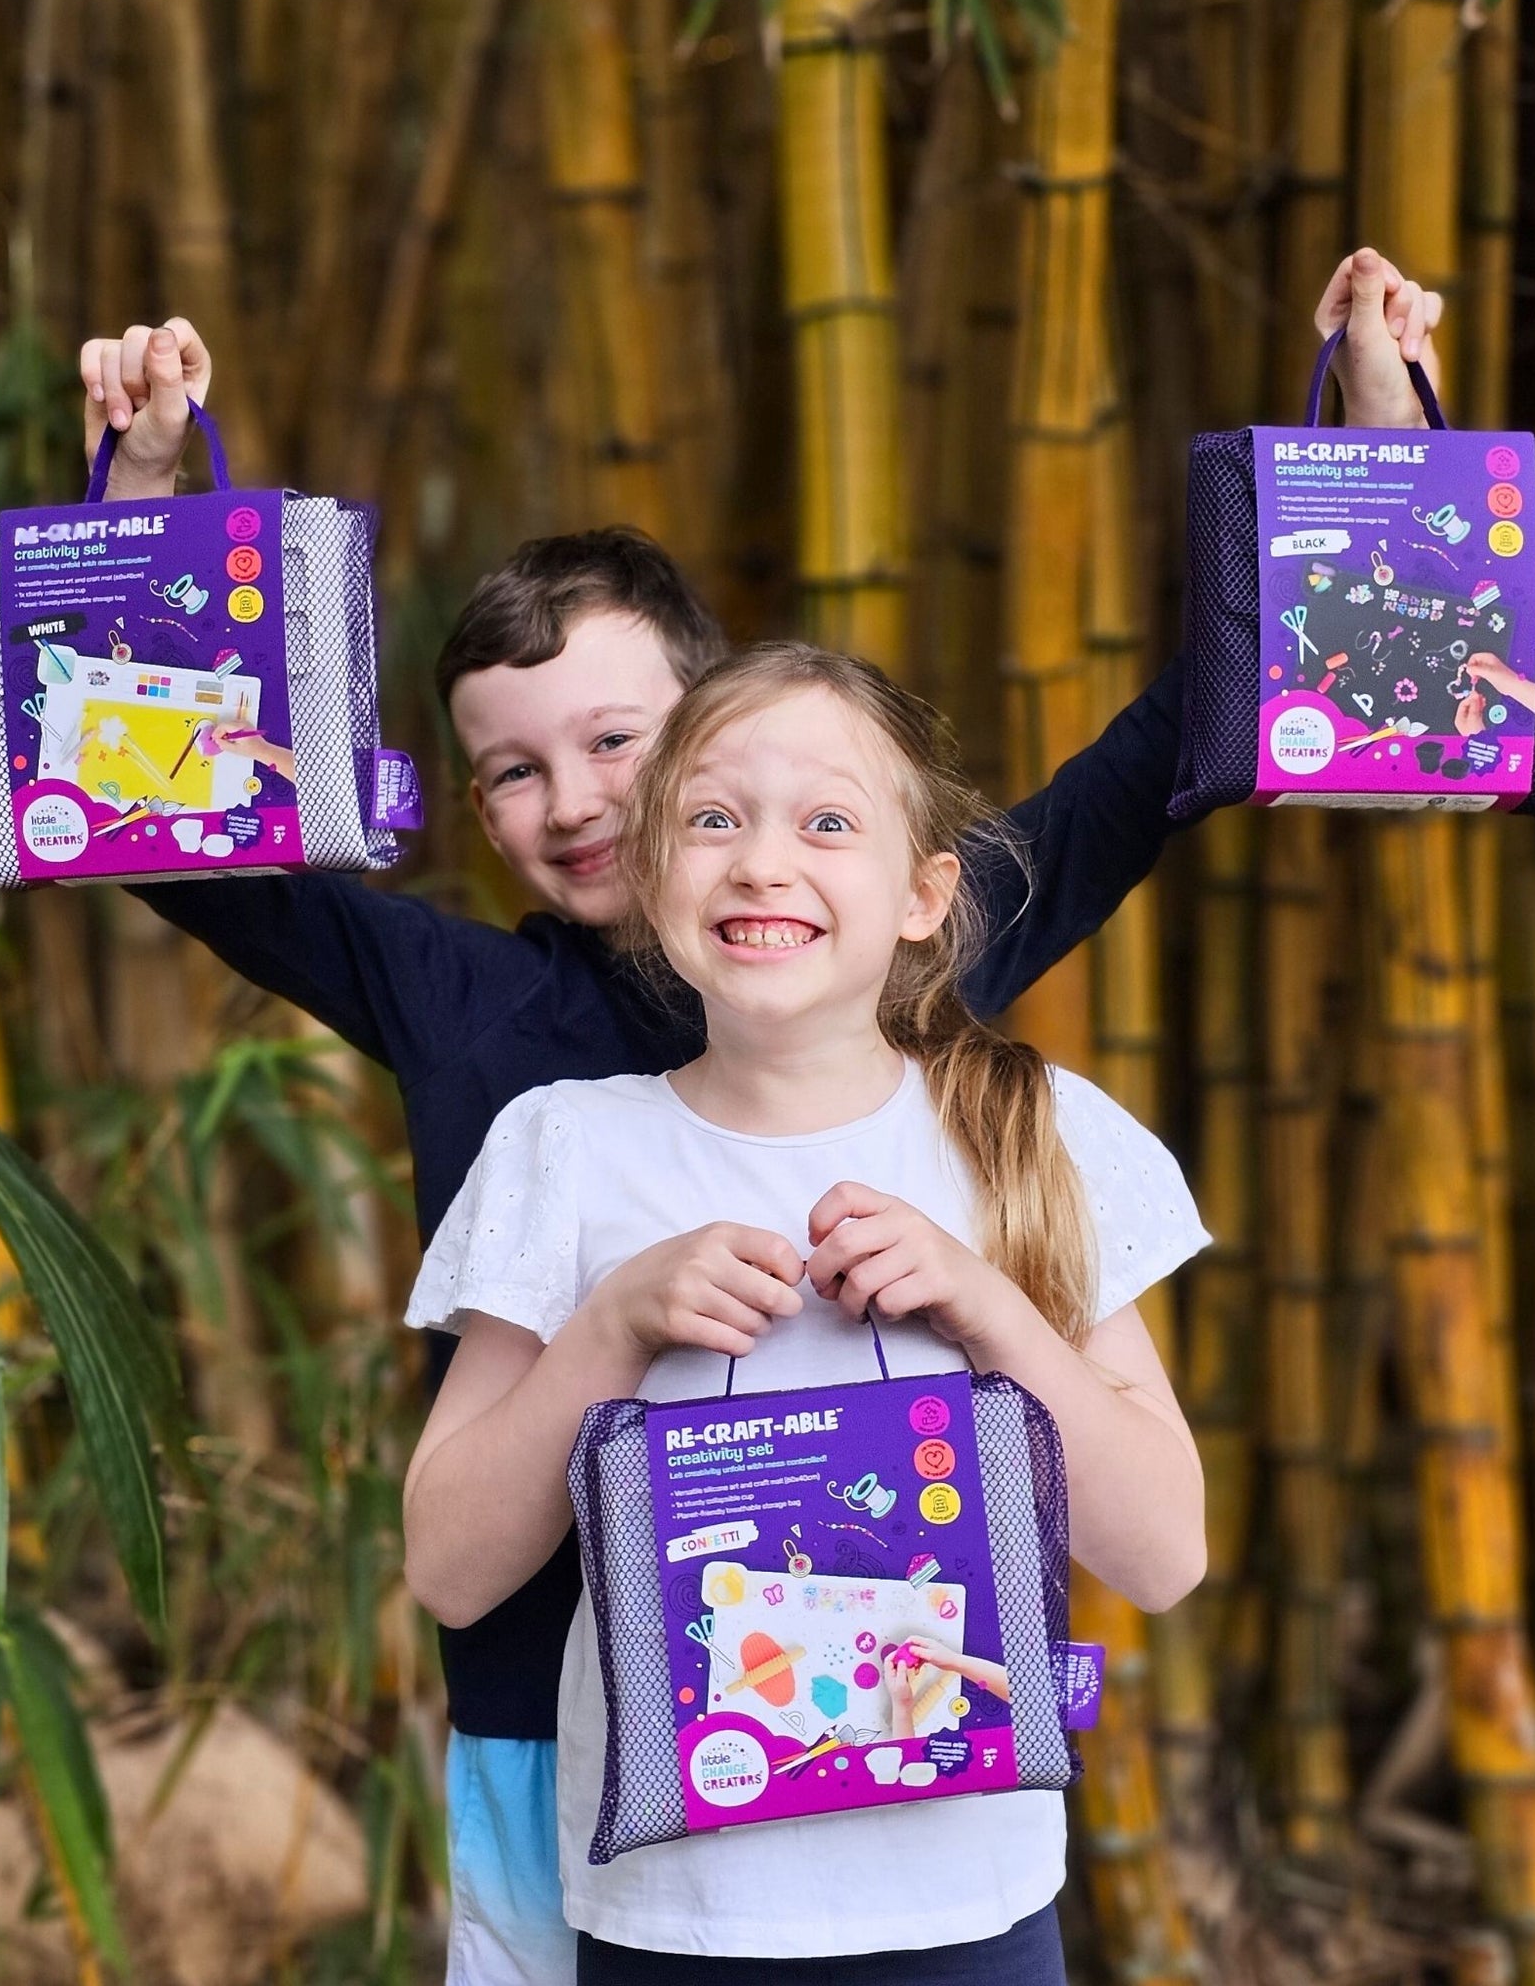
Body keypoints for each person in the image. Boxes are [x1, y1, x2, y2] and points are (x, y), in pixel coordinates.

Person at [82, 246, 1443, 1984]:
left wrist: (1380, 436)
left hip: (911, 1773)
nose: (577, 802)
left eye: (627, 747)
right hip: (556, 1743)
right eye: (513, 769)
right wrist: (140, 487)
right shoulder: (475, 1017)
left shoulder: (886, 978)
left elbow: (1166, 752)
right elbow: (175, 826)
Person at [400, 643, 1209, 1980]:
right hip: (669, 1916)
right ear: (652, 875)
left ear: (924, 891)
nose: (763, 863)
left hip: (969, 1912)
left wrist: (992, 1310)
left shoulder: (1035, 1134)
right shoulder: (564, 1147)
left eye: (827, 823)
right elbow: (448, 1569)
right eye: (712, 819)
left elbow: (1167, 1554)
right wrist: (610, 1327)